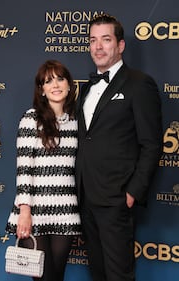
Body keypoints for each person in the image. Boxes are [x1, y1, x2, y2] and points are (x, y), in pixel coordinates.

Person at [75, 14, 163, 281]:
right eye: (93, 40)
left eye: (105, 40)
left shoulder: (139, 84)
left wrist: (132, 192)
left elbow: (151, 144)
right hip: (85, 196)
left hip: (116, 199)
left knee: (118, 276)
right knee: (98, 273)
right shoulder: (87, 87)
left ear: (121, 45)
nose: (98, 47)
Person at [6, 59, 81, 281]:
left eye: (60, 79)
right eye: (48, 81)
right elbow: (24, 168)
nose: (55, 85)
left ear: (69, 85)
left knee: (57, 276)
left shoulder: (77, 121)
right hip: (34, 212)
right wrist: (25, 212)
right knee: (43, 277)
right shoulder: (31, 119)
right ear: (42, 89)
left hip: (66, 212)